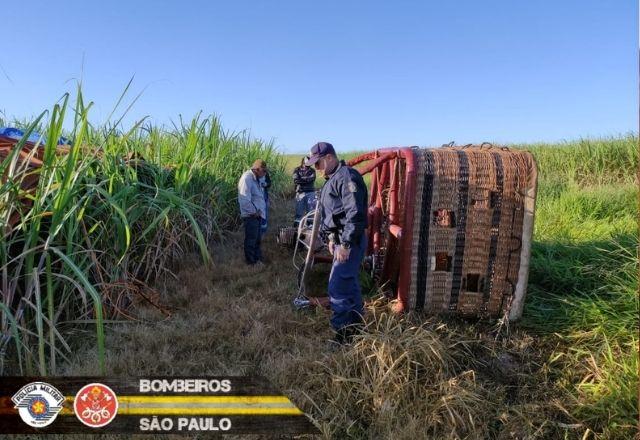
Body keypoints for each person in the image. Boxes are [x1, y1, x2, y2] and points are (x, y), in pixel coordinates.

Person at [305, 142, 368, 345]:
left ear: (330, 157)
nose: (317, 168)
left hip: (350, 240)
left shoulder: (347, 177)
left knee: (338, 287)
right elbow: (333, 214)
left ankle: (343, 337)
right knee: (349, 283)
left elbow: (355, 214)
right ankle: (357, 326)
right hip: (340, 239)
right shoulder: (332, 179)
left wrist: (346, 244)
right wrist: (332, 239)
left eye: (319, 163)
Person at [237, 159, 268, 265]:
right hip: (251, 215)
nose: (265, 173)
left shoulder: (257, 178)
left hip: (258, 214)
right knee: (251, 240)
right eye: (264, 171)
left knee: (257, 239)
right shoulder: (247, 178)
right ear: (257, 169)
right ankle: (251, 262)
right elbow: (244, 199)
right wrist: (254, 212)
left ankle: (257, 259)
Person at [292, 157, 317, 227]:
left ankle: (310, 227)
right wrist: (306, 179)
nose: (308, 165)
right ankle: (296, 229)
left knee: (311, 212)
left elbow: (312, 179)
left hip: (310, 193)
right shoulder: (296, 170)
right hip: (300, 193)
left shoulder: (312, 170)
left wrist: (302, 179)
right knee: (299, 212)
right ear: (303, 162)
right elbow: (296, 180)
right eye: (307, 163)